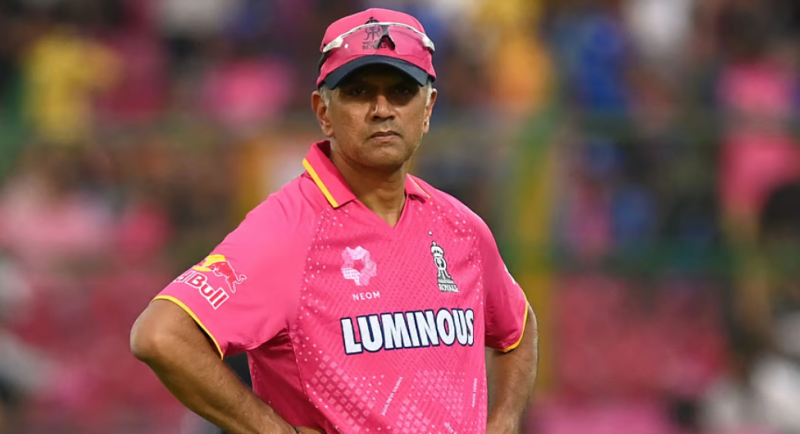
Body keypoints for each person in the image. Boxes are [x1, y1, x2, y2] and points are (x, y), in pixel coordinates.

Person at [130, 8, 538, 434]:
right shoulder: (287, 231)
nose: (382, 109)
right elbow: (161, 336)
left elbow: (519, 326)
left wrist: (505, 421)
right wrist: (273, 431)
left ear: (428, 108)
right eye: (359, 92)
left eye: (402, 91)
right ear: (323, 112)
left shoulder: (461, 228)